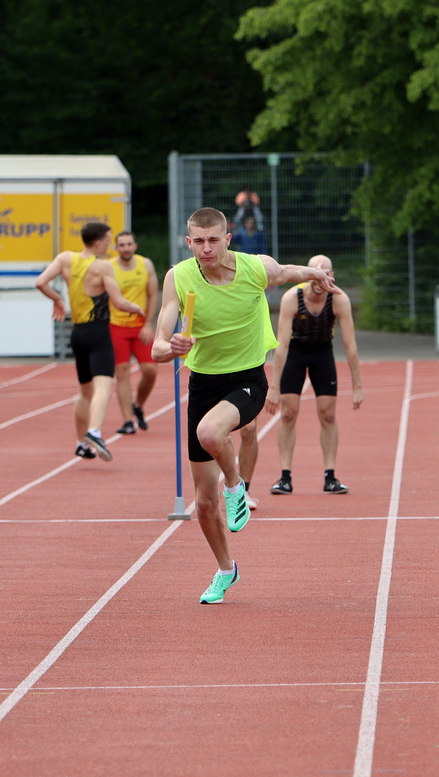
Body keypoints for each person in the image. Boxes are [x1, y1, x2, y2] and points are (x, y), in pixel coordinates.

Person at [150, 206, 337, 604]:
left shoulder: (255, 268)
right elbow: (158, 343)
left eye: (213, 240)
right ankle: (226, 570)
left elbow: (288, 272)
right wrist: (172, 349)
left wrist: (317, 273)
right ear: (188, 243)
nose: (206, 248)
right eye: (198, 241)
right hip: (203, 383)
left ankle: (235, 487)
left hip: (247, 379)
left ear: (227, 238)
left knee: (210, 432)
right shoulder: (178, 278)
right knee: (202, 504)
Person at [35, 221, 144, 461]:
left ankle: (81, 442)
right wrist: (138, 309)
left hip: (77, 334)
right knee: (104, 385)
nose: (110, 245)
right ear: (98, 243)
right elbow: (118, 302)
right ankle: (94, 432)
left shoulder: (66, 259)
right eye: (108, 240)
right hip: (98, 334)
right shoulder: (102, 266)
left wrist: (57, 299)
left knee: (85, 392)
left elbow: (40, 282)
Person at [267, 254, 364, 495]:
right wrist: (275, 386)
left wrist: (357, 385)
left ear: (331, 276)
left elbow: (350, 346)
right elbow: (281, 346)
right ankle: (285, 476)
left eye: (326, 273)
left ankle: (330, 476)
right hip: (296, 353)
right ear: (308, 275)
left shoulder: (338, 299)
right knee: (288, 413)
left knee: (328, 415)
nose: (320, 278)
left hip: (323, 352)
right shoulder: (292, 298)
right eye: (315, 273)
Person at [109, 231, 159, 435]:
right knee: (122, 373)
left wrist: (148, 323)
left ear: (135, 246)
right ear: (116, 248)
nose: (126, 248)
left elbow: (153, 295)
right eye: (121, 245)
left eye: (129, 244)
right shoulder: (109, 267)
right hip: (116, 325)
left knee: (150, 370)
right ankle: (128, 420)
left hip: (140, 326)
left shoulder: (145, 265)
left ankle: (138, 405)